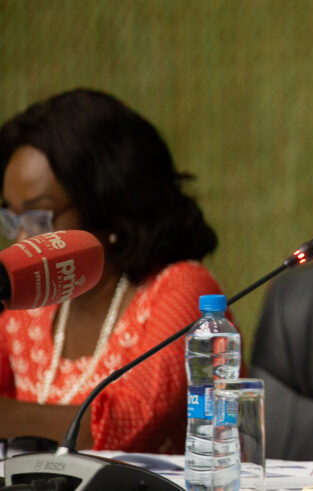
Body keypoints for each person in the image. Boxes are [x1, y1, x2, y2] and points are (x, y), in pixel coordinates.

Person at [0, 88, 226, 454]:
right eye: (11, 218)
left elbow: (131, 425)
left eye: (39, 218)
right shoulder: (25, 303)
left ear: (108, 205)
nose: (23, 239)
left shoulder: (183, 291)